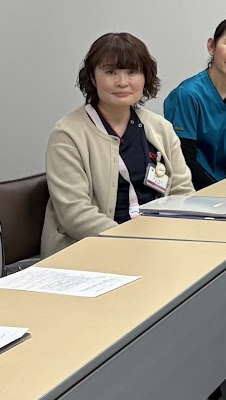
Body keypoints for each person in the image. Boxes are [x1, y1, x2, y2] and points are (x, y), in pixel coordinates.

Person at [43, 32, 195, 255]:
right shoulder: (68, 134)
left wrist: (169, 236)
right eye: (110, 72)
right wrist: (135, 242)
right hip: (93, 249)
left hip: (157, 242)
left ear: (145, 77)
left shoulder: (160, 128)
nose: (122, 82)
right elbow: (75, 215)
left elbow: (182, 191)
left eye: (132, 72)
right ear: (92, 78)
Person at [164, 17, 226, 190]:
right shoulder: (187, 94)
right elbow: (184, 161)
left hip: (221, 189)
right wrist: (222, 192)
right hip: (189, 191)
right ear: (212, 46)